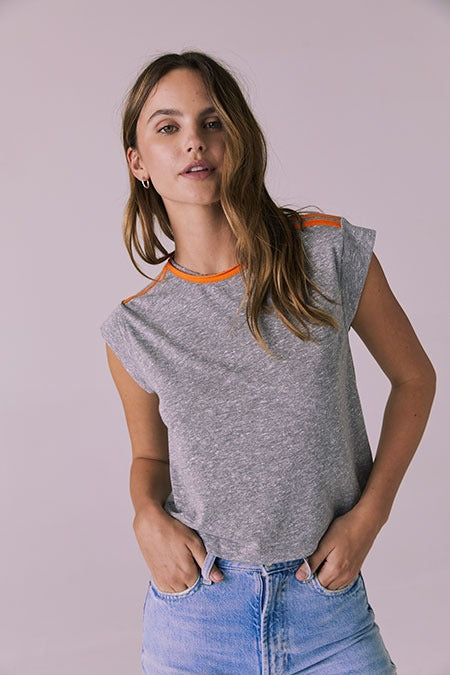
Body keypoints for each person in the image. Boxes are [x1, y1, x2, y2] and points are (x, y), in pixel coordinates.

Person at [99, 50, 436, 674]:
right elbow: (151, 459)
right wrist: (145, 515)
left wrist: (370, 517)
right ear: (138, 163)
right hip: (197, 616)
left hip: (327, 610)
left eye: (212, 121)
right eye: (168, 127)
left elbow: (415, 377)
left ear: (240, 137)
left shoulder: (327, 253)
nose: (194, 142)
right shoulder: (136, 328)